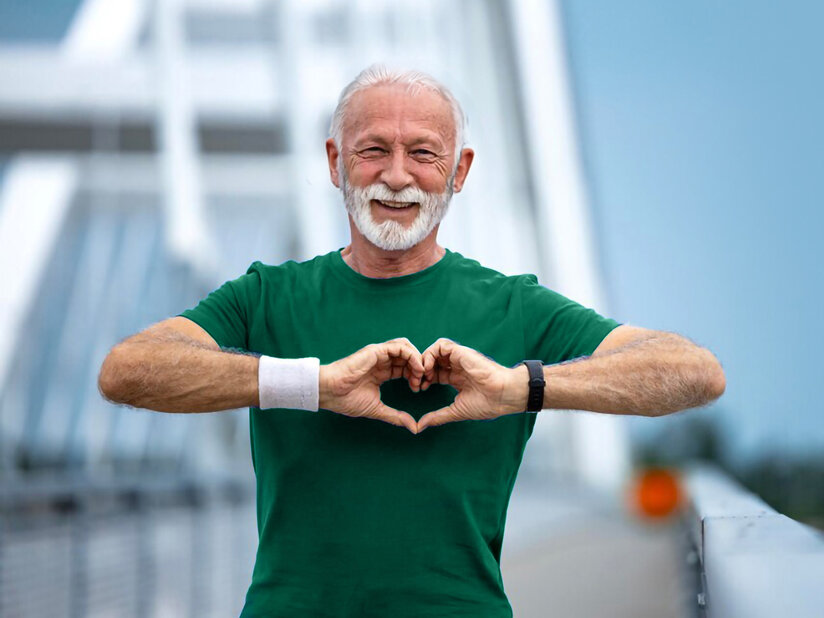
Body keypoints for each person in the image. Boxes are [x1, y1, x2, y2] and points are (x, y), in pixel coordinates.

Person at [97, 65, 726, 617]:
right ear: (335, 162)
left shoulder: (513, 306)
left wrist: (518, 388)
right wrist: (314, 384)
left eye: (423, 154)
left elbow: (694, 373)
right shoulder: (268, 296)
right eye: (373, 150)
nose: (397, 176)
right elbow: (127, 371)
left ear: (460, 171)